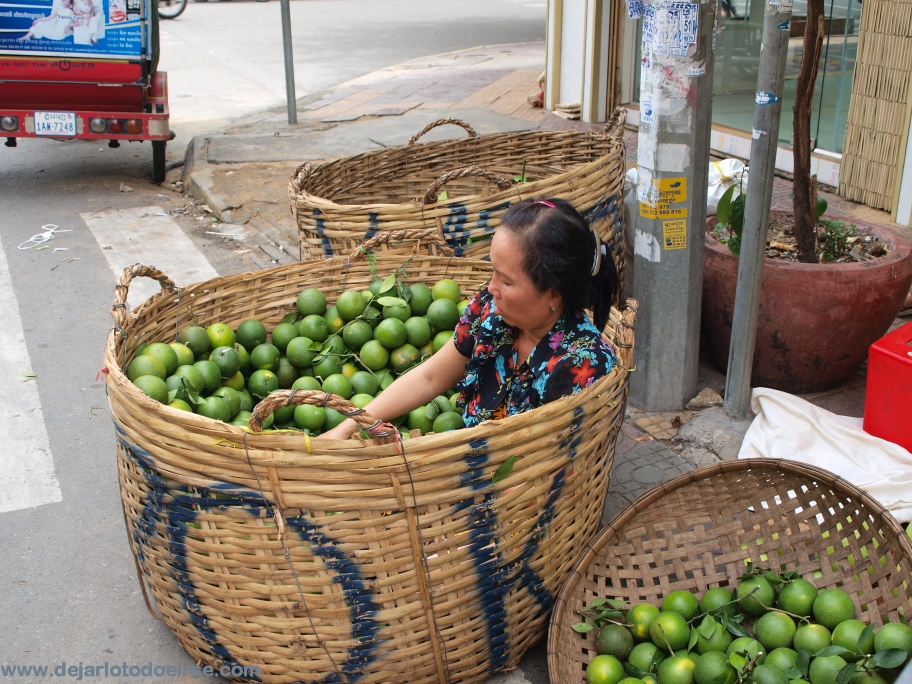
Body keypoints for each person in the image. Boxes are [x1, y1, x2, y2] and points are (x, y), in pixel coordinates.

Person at [319, 198, 620, 441]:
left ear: (554, 294)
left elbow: (542, 466)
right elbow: (430, 377)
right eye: (493, 272)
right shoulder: (491, 313)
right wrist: (348, 427)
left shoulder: (582, 366)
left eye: (506, 280)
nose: (491, 288)